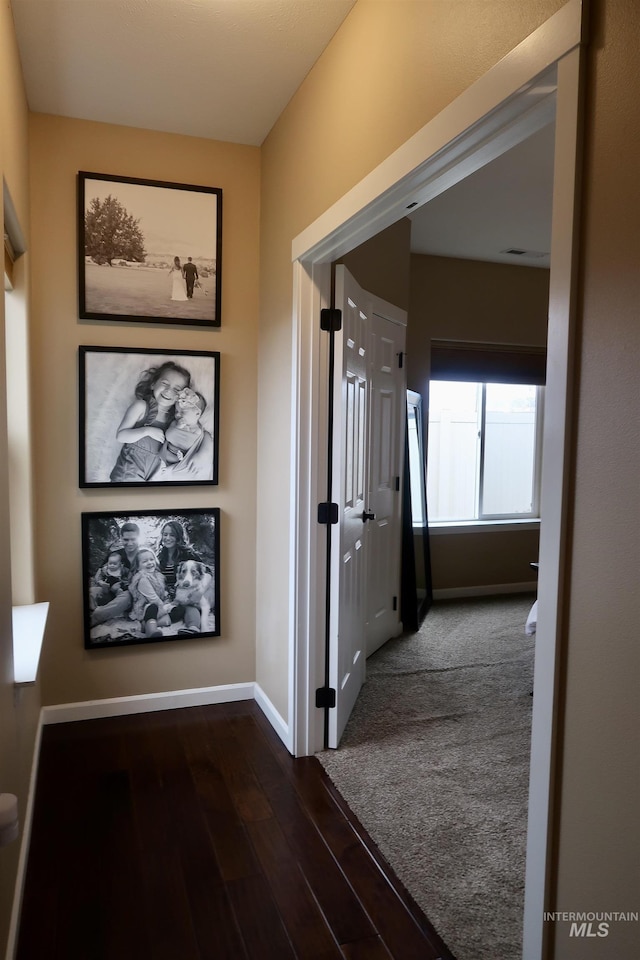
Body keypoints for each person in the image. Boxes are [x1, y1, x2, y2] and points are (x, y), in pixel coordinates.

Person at [110, 361, 191, 482]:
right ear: (153, 384)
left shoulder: (174, 420)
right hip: (129, 470)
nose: (168, 390)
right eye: (165, 383)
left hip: (154, 473)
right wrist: (146, 431)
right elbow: (121, 436)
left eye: (176, 389)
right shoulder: (141, 407)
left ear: (181, 397)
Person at [154, 387, 214, 481]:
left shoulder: (199, 431)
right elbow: (169, 435)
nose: (178, 415)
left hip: (184, 461)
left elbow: (197, 445)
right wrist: (177, 428)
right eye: (177, 411)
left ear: (197, 413)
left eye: (183, 412)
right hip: (168, 456)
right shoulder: (175, 423)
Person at [156, 520, 202, 634]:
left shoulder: (188, 554)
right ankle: (150, 625)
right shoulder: (160, 557)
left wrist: (199, 592)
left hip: (187, 593)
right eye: (165, 534)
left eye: (172, 535)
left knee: (189, 606)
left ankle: (193, 628)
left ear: (178, 537)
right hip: (168, 596)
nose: (167, 538)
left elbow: (207, 573)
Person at [90, 521, 140, 625]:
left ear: (138, 537)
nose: (130, 543)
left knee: (126, 596)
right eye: (126, 539)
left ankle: (94, 618)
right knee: (92, 591)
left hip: (129, 596)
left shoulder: (143, 555)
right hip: (108, 592)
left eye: (133, 539)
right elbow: (99, 575)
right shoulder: (115, 555)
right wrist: (101, 583)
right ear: (121, 538)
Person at [127, 548, 172, 639]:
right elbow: (154, 599)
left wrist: (169, 603)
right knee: (152, 607)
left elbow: (163, 593)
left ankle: (145, 625)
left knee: (178, 610)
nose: (150, 563)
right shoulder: (142, 579)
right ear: (138, 566)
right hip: (145, 608)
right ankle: (151, 630)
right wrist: (165, 609)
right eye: (145, 561)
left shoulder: (158, 576)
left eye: (152, 559)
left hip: (160, 605)